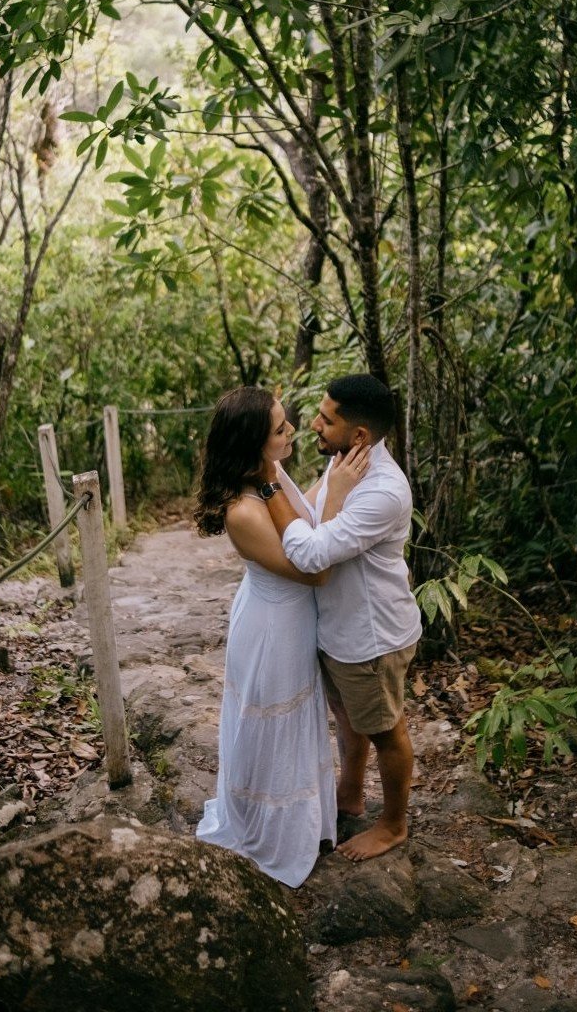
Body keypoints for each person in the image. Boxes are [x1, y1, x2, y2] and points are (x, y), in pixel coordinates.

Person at [192, 386, 368, 889]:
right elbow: (315, 570)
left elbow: (300, 515)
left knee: (295, 721)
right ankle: (268, 830)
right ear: (253, 443)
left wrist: (334, 476)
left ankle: (302, 819)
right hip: (272, 630)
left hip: (291, 621)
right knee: (272, 722)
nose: (292, 430)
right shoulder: (242, 511)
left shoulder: (268, 475)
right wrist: (337, 496)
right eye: (280, 428)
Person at [259, 373, 422, 863]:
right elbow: (311, 515)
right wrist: (327, 493)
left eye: (327, 419)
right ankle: (349, 795)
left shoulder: (383, 491)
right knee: (348, 718)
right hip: (339, 627)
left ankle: (393, 825)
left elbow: (311, 553)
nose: (313, 424)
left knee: (386, 729)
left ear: (360, 434)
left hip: (371, 637)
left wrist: (268, 486)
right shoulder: (345, 463)